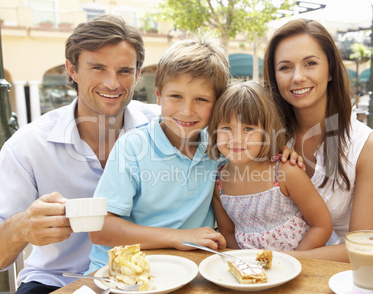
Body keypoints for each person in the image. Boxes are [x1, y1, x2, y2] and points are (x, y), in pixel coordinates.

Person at [0, 14, 160, 293]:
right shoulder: (27, 146)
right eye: (98, 68)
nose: (112, 83)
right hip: (56, 279)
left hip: (148, 276)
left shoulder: (166, 128)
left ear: (137, 74)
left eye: (124, 70)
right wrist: (21, 228)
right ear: (72, 70)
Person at [86, 32, 230, 272]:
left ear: (218, 103)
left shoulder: (220, 149)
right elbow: (99, 228)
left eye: (201, 99)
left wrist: (284, 155)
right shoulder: (133, 147)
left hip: (186, 270)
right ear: (159, 95)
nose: (186, 111)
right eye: (176, 96)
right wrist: (178, 237)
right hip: (120, 272)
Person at [263, 19, 373, 262]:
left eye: (310, 63)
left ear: (331, 70)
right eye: (285, 67)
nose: (298, 77)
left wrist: (281, 261)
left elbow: (363, 248)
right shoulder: (264, 141)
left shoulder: (370, 147)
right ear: (274, 77)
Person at [207, 81, 334, 251]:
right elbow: (228, 233)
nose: (236, 138)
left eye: (248, 128)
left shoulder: (285, 171)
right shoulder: (219, 183)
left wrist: (292, 262)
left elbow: (321, 226)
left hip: (300, 264)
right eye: (226, 128)